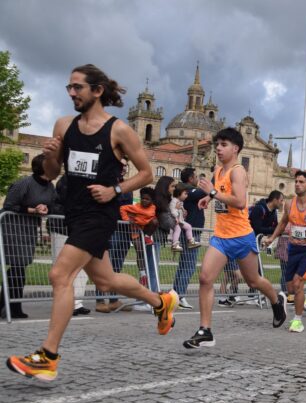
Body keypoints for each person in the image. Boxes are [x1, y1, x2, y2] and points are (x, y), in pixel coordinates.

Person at [6, 64, 178, 381]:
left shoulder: (118, 131)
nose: (72, 93)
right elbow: (55, 171)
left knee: (60, 274)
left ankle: (47, 357)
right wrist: (53, 154)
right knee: (106, 281)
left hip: (100, 215)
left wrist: (115, 189)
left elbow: (146, 174)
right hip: (74, 212)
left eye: (78, 87)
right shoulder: (64, 125)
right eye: (69, 87)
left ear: (96, 91)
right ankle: (161, 302)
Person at [183, 128, 287, 348]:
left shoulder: (238, 171)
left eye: (224, 145)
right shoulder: (219, 170)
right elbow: (221, 194)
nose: (218, 148)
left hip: (241, 236)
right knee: (205, 278)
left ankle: (277, 301)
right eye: (217, 144)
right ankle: (205, 330)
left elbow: (240, 201)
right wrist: (208, 200)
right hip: (221, 236)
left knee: (253, 281)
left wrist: (212, 193)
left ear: (236, 148)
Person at [262, 170, 306, 333]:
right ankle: (286, 300)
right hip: (293, 248)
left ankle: (297, 320)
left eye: (301, 182)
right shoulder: (289, 204)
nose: (297, 184)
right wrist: (272, 238)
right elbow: (283, 222)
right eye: (296, 181)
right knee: (291, 288)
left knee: (298, 284)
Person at [0, 154, 58, 319]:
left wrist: (45, 209)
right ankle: (12, 307)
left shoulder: (50, 186)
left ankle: (7, 305)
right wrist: (33, 210)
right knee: (18, 266)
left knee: (20, 266)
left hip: (29, 229)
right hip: (12, 227)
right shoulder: (24, 183)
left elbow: (52, 204)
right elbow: (9, 205)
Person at [94, 159, 134, 313]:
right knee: (104, 266)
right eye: (121, 165)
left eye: (125, 166)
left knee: (117, 267)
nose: (123, 168)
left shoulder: (126, 184)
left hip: (124, 231)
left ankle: (113, 299)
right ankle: (99, 300)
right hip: (110, 228)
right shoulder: (106, 183)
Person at [172, 167, 207, 310]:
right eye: (196, 176)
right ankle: (179, 296)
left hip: (189, 231)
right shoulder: (188, 191)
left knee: (184, 265)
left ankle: (175, 295)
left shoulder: (186, 190)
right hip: (190, 233)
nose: (198, 179)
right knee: (189, 266)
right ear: (191, 179)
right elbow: (204, 191)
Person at [120, 187, 158, 285]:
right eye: (143, 198)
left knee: (155, 221)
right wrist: (127, 219)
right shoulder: (136, 207)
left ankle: (147, 236)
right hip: (135, 229)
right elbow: (122, 208)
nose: (144, 201)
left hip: (144, 229)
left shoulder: (153, 208)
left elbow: (152, 219)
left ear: (152, 201)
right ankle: (143, 275)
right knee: (140, 250)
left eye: (147, 199)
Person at [169, 184, 200, 252]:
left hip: (180, 220)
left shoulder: (180, 202)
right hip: (175, 220)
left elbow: (180, 211)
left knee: (189, 226)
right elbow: (172, 211)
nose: (187, 196)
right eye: (185, 194)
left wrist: (183, 213)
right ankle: (174, 245)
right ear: (179, 193)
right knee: (178, 229)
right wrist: (176, 214)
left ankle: (191, 241)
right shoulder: (174, 201)